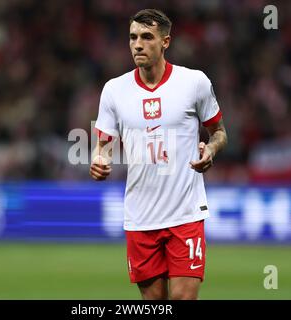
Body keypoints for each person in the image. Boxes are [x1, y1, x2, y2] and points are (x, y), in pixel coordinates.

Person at [90, 8, 227, 300]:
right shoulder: (114, 90)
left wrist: (210, 149)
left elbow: (219, 132)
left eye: (147, 37)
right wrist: (99, 159)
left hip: (185, 212)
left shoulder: (194, 82)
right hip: (140, 216)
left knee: (183, 298)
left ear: (165, 42)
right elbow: (102, 145)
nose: (137, 44)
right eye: (133, 37)